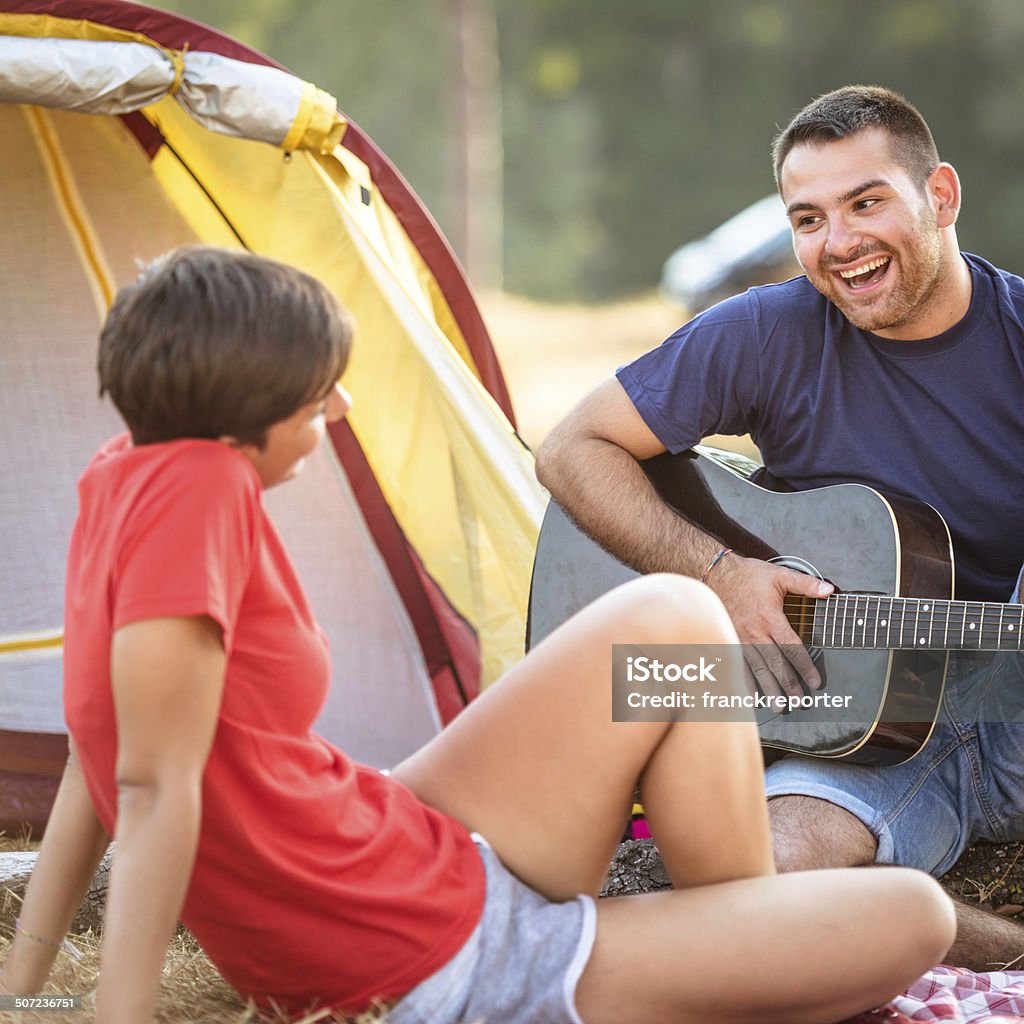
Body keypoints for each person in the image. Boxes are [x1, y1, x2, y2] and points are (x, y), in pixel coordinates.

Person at [0, 245, 953, 1023]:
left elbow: (99, 743)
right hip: (424, 952)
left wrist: (26, 984)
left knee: (680, 613)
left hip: (391, 836)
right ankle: (733, 944)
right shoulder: (198, 491)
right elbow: (147, 784)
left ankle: (730, 934)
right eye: (316, 394)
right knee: (917, 916)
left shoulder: (124, 470)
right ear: (246, 406)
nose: (335, 411)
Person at [535, 84, 1024, 971]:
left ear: (941, 196)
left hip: (1013, 715)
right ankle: (1000, 949)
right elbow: (573, 449)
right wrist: (720, 571)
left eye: (867, 202)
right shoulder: (767, 331)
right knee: (763, 876)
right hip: (851, 727)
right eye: (808, 218)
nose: (838, 244)